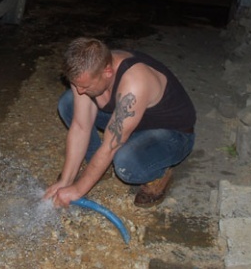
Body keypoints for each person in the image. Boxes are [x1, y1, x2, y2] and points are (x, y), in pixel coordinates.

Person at [44, 37, 196, 208]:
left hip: (172, 134)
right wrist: (66, 180)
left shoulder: (135, 81)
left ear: (107, 72)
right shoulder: (87, 70)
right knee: (68, 102)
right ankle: (99, 168)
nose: (80, 91)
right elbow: (80, 127)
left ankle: (159, 172)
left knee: (126, 163)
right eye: (76, 84)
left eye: (85, 87)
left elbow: (110, 146)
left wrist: (77, 190)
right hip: (135, 122)